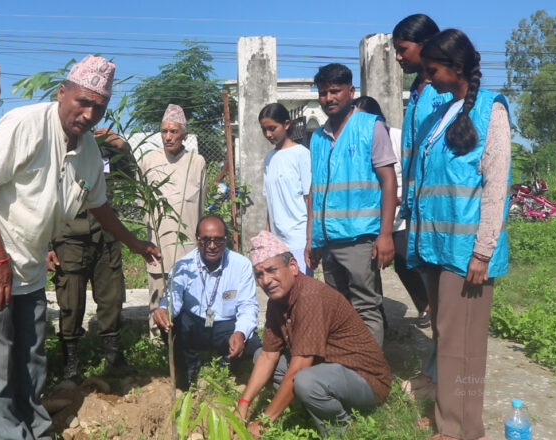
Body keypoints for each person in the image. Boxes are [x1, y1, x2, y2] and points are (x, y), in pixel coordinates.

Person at [0, 55, 160, 439]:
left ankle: (36, 427)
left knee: (31, 353)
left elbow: (99, 205)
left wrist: (135, 243)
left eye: (99, 106)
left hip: (28, 260)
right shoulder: (25, 124)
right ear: (63, 92)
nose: (89, 113)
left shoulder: (90, 150)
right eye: (82, 101)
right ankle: (10, 433)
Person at [408, 29, 511, 440]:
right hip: (436, 247)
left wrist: (482, 252)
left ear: (458, 67)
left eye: (433, 70)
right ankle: (450, 418)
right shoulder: (443, 113)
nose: (427, 78)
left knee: (465, 346)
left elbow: (496, 186)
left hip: (467, 251)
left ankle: (461, 430)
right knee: (448, 338)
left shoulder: (491, 110)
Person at [238, 231, 391, 438]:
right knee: (260, 357)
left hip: (365, 379)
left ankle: (341, 429)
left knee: (305, 381)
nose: (266, 280)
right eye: (260, 275)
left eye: (272, 270)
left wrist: (264, 423)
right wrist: (243, 405)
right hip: (328, 368)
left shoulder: (310, 296)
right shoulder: (277, 301)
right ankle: (313, 406)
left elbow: (300, 367)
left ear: (293, 266)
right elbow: (268, 355)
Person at [306, 63, 397, 347]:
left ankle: (370, 375)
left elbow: (389, 181)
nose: (329, 98)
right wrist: (312, 238)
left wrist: (385, 234)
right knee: (339, 307)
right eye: (323, 93)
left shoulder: (371, 127)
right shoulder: (318, 138)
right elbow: (315, 191)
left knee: (366, 307)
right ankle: (346, 364)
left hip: (360, 237)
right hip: (328, 239)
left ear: (351, 91)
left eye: (335, 91)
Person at [46, 127, 137, 381]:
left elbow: (130, 175)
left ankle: (114, 359)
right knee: (70, 301)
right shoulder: (59, 151)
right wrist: (47, 244)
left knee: (112, 297)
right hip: (69, 236)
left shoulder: (104, 150)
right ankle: (71, 365)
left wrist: (121, 144)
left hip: (106, 235)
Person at [392, 12, 451, 403]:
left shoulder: (442, 92)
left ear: (425, 46)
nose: (398, 57)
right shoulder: (418, 90)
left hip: (439, 213)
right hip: (418, 209)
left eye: (402, 50)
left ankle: (442, 380)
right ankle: (435, 374)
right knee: (436, 300)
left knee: (446, 306)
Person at [152, 215, 261, 390]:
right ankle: (187, 368)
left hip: (225, 325)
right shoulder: (183, 265)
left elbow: (247, 305)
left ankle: (230, 365)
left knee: (252, 342)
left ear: (225, 241)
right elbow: (174, 296)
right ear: (197, 240)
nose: (211, 246)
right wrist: (165, 309)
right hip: (195, 324)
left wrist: (240, 333)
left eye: (218, 240)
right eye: (205, 240)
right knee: (170, 325)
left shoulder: (241, 265)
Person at [353, 96, 430, 327]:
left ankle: (428, 304)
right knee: (369, 267)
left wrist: (399, 199)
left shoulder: (398, 137)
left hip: (400, 215)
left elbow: (413, 174)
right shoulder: (360, 141)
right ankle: (377, 318)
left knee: (406, 260)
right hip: (371, 217)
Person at [139, 103, 207, 338]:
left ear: (184, 135)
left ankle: (186, 340)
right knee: (157, 291)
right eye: (164, 131)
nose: (168, 137)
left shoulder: (197, 162)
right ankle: (158, 340)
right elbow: (143, 206)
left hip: (187, 244)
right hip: (158, 243)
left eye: (174, 132)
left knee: (187, 292)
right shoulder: (148, 161)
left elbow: (200, 206)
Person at [258, 103, 313, 276]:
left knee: (302, 290)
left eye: (272, 128)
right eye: (264, 129)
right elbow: (270, 201)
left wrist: (310, 239)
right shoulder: (269, 158)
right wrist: (268, 235)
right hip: (277, 240)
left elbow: (309, 198)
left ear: (287, 124)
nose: (268, 134)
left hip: (298, 237)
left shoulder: (301, 154)